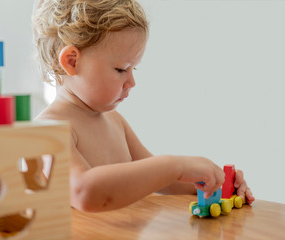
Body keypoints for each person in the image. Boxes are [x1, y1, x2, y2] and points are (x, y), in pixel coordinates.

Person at [32, 0, 255, 212]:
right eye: (121, 69)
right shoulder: (47, 129)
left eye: (133, 69)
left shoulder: (114, 121)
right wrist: (175, 165)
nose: (132, 82)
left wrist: (213, 182)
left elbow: (161, 180)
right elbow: (84, 192)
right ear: (72, 61)